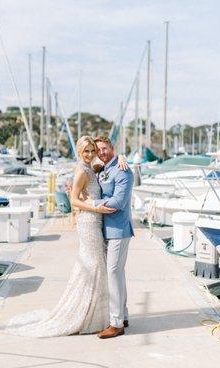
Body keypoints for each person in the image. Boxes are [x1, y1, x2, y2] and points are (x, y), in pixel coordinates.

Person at [6, 136, 116, 337]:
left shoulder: (92, 168)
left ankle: (96, 314)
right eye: (87, 151)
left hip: (96, 220)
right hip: (88, 222)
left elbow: (109, 161)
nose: (91, 154)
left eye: (92, 150)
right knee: (92, 266)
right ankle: (82, 315)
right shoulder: (82, 171)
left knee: (96, 266)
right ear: (80, 152)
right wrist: (94, 205)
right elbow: (74, 201)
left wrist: (122, 158)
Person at [93, 135, 134, 339]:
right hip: (107, 230)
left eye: (104, 148)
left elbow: (118, 201)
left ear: (111, 147)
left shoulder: (122, 169)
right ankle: (123, 316)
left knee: (113, 274)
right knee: (118, 274)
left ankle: (116, 323)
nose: (101, 152)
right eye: (98, 149)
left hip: (119, 229)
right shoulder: (103, 169)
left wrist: (92, 204)